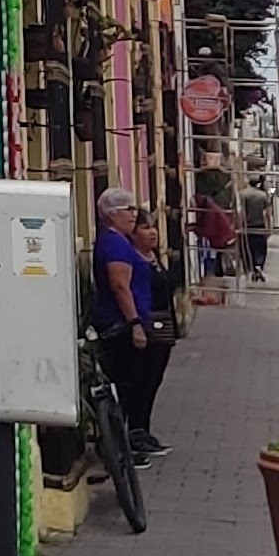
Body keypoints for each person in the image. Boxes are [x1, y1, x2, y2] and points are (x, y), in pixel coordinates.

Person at [93, 184, 170, 458]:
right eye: (129, 209)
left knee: (132, 386)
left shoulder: (118, 241)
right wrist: (135, 323)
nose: (133, 215)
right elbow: (120, 286)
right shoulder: (115, 244)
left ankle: (123, 446)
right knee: (126, 387)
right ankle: (117, 449)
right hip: (120, 325)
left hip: (127, 321)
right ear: (112, 213)